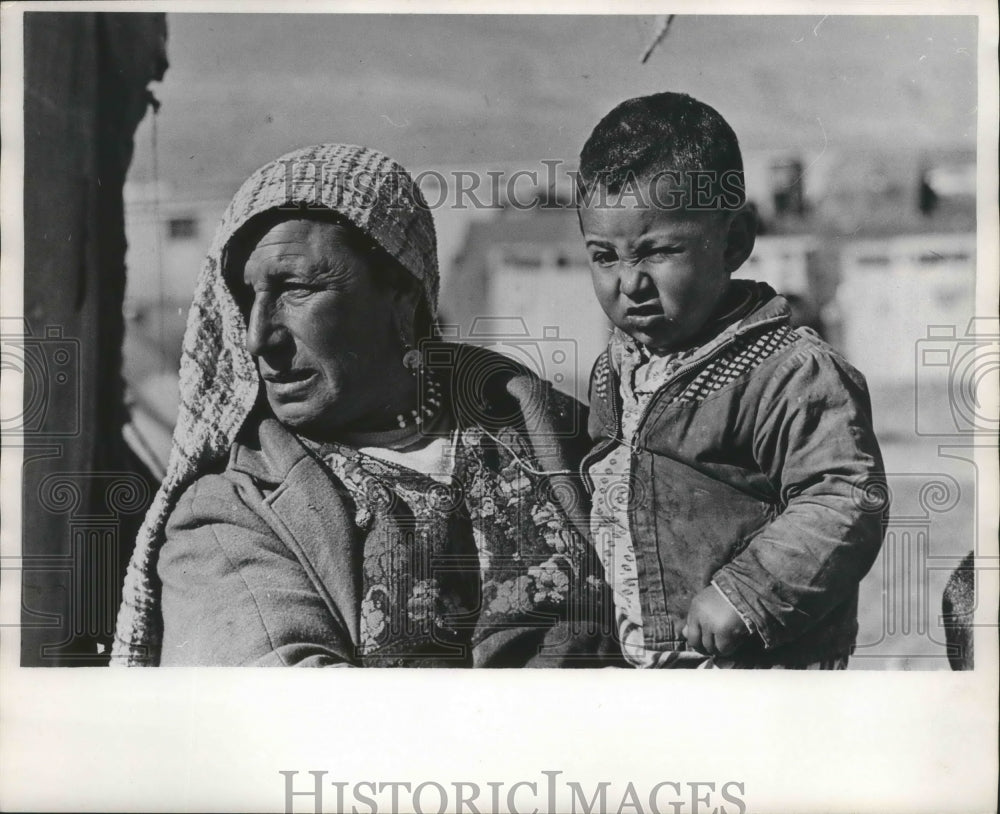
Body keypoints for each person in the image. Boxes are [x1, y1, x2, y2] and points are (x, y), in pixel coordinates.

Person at [112, 143, 621, 667]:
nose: (259, 338)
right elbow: (296, 725)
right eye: (247, 301)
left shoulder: (556, 434)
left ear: (401, 297)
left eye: (297, 289)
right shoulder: (232, 517)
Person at [576, 93, 888, 668]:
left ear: (735, 241)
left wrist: (745, 595)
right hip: (640, 666)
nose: (630, 282)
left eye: (657, 251)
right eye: (604, 256)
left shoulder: (787, 371)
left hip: (756, 669)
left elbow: (846, 494)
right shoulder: (617, 368)